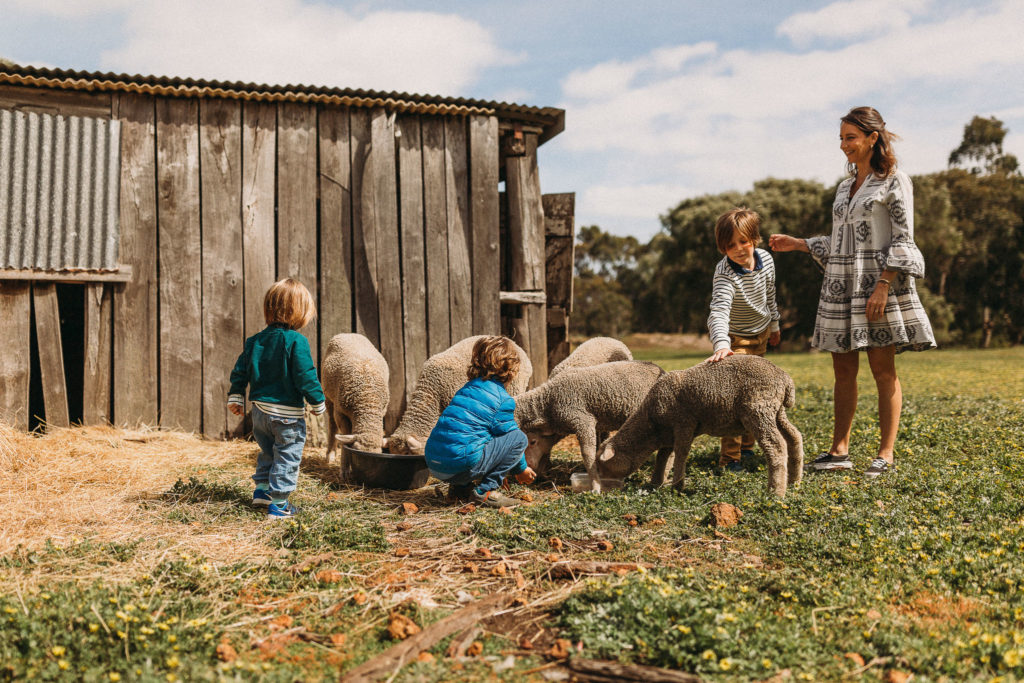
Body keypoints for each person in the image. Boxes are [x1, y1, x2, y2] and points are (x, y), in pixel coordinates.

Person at [769, 106, 935, 478]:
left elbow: (903, 237)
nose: (844, 145)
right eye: (841, 138)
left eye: (851, 138)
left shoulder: (895, 180)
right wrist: (799, 244)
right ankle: (839, 451)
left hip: (878, 285)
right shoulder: (845, 187)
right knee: (842, 369)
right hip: (841, 286)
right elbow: (842, 243)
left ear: (873, 139)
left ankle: (885, 454)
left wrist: (883, 285)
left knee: (883, 370)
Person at [228, 278, 326, 518]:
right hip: (286, 416)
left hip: (259, 413)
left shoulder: (255, 341)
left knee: (268, 452)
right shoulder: (296, 342)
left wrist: (236, 396)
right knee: (287, 455)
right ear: (299, 313)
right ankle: (280, 505)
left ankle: (262, 491)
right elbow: (305, 375)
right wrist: (317, 401)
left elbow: (240, 371)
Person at [705, 208, 781, 472]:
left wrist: (774, 325)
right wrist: (722, 345)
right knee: (734, 400)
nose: (738, 249)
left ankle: (748, 449)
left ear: (755, 239)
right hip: (735, 340)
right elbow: (719, 311)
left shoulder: (767, 261)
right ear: (722, 248)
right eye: (730, 245)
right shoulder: (725, 273)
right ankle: (731, 459)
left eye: (743, 242)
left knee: (755, 395)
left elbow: (770, 295)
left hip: (760, 334)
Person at [424, 336, 536, 508]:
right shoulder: (502, 400)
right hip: (460, 465)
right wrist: (521, 470)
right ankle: (485, 491)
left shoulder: (465, 389)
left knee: (469, 437)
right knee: (519, 438)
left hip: (434, 464)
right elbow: (510, 437)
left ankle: (459, 490)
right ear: (511, 370)